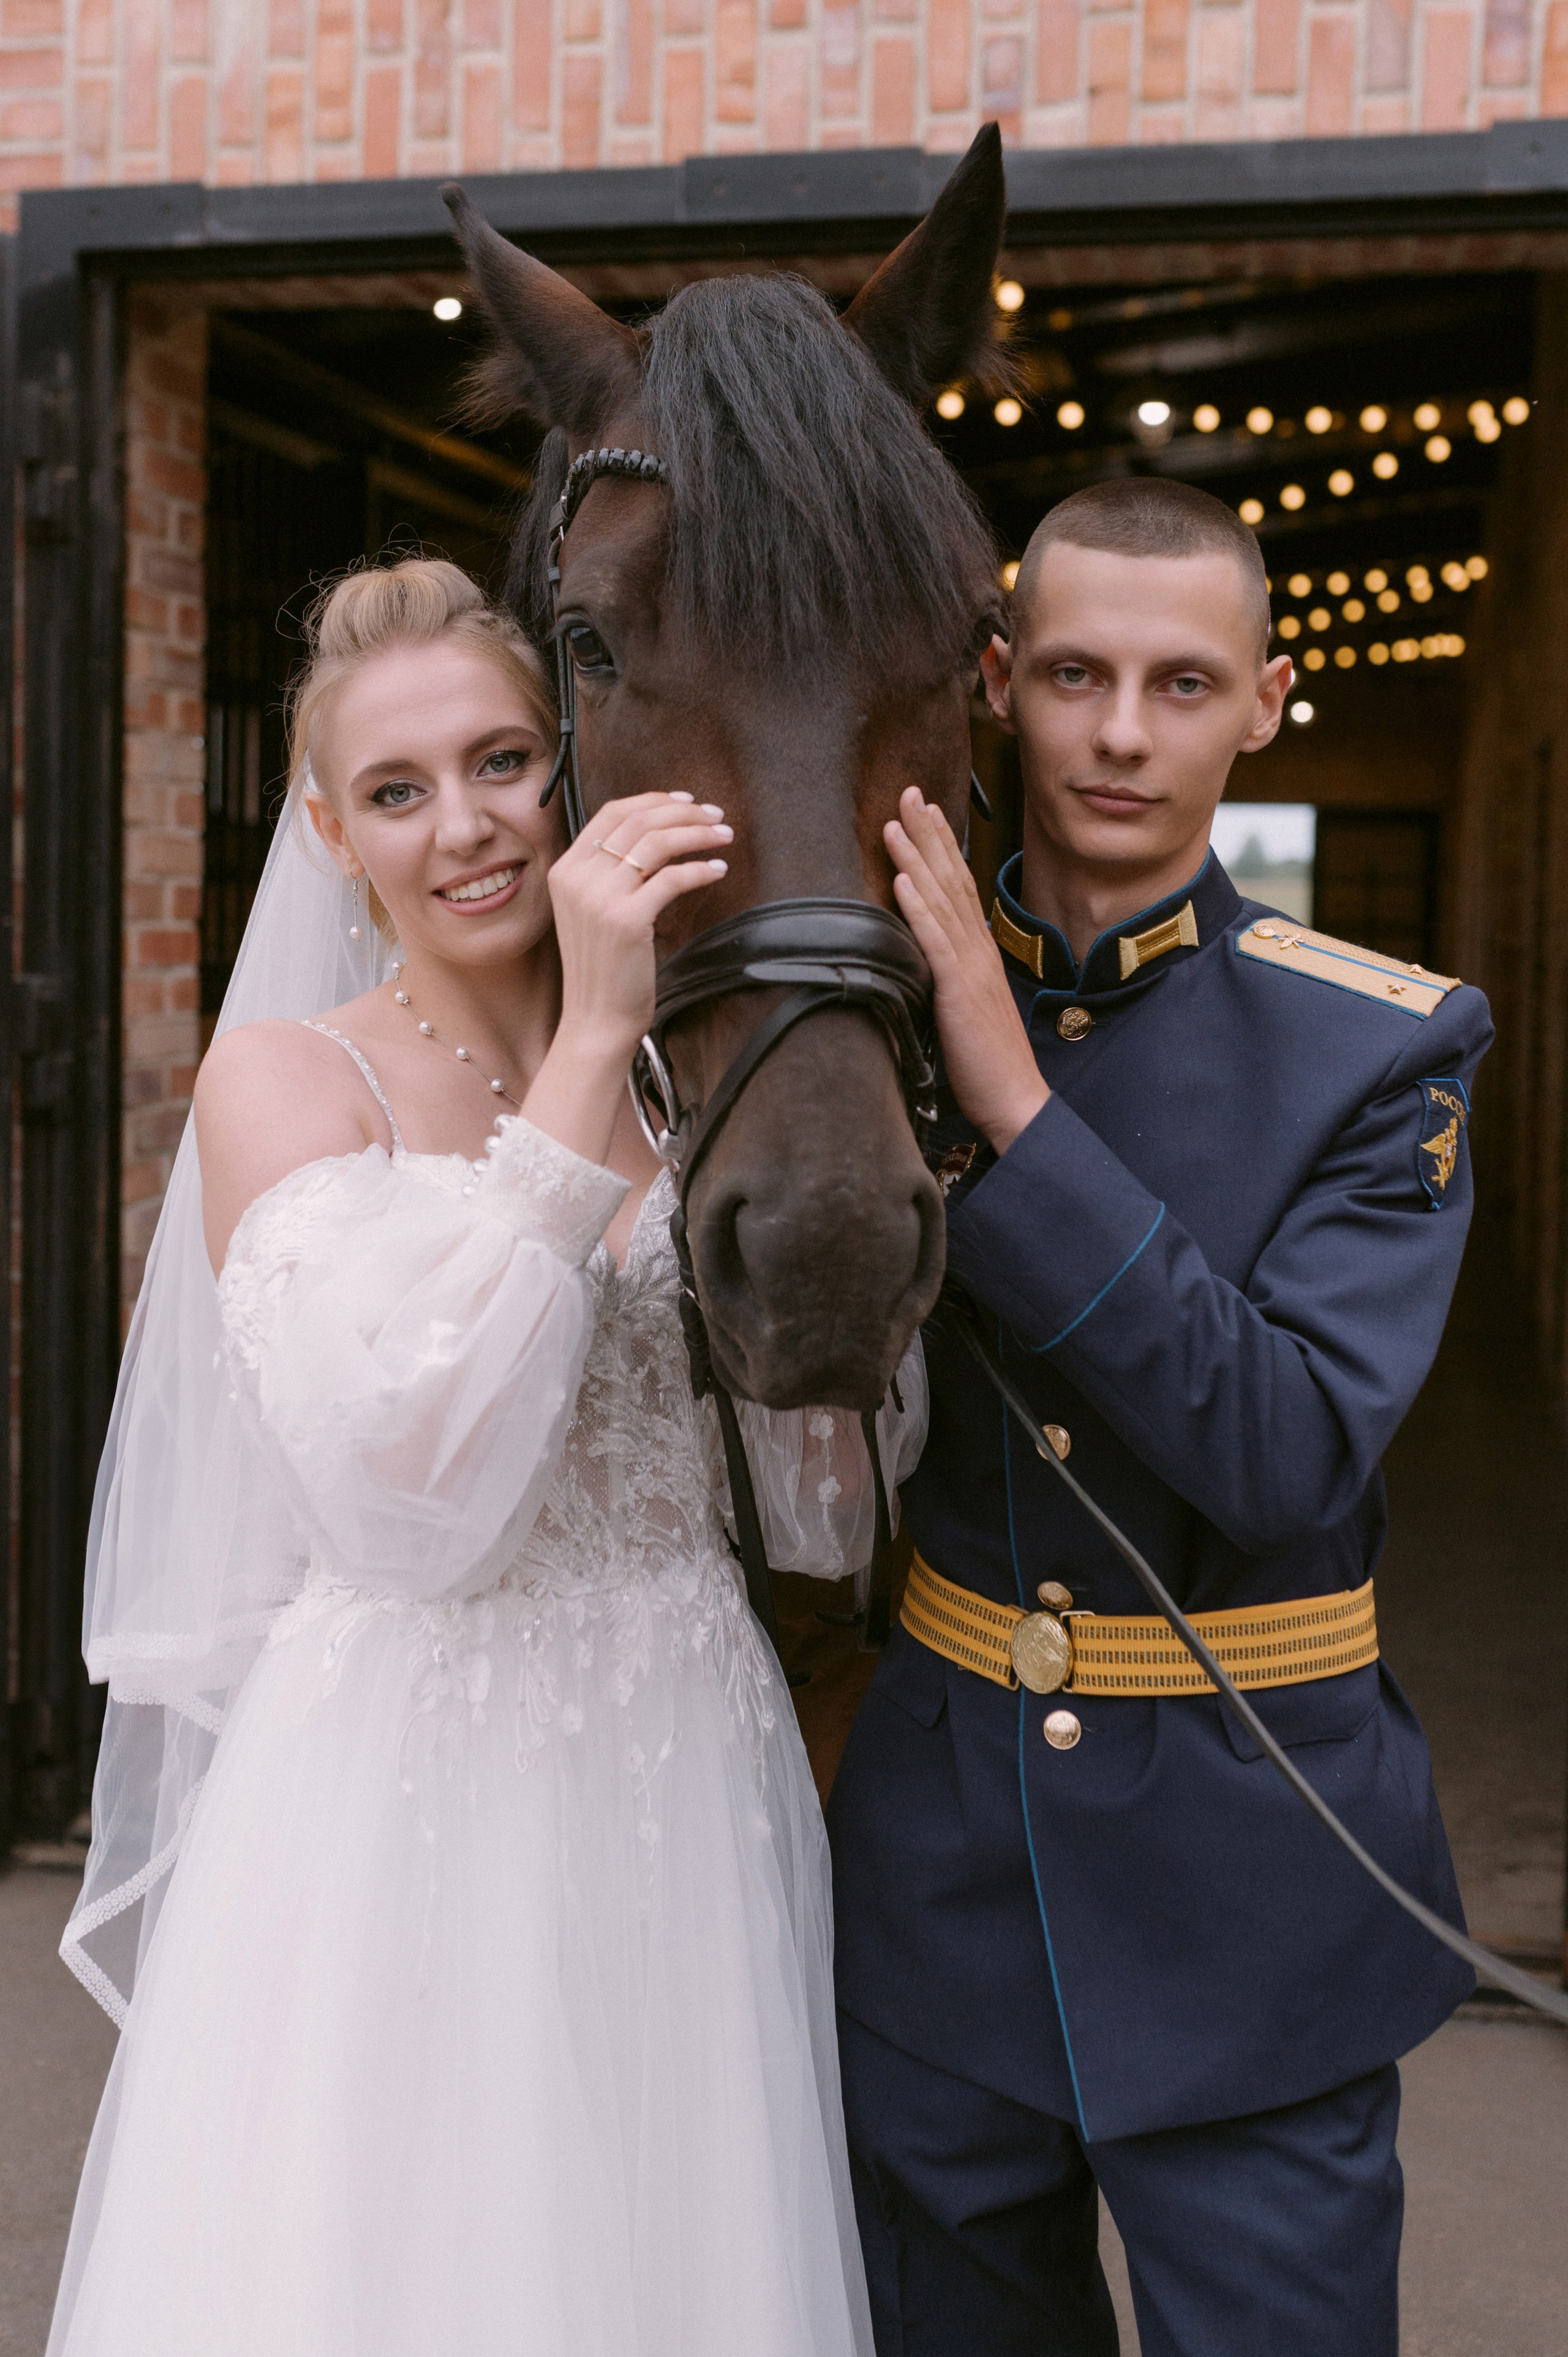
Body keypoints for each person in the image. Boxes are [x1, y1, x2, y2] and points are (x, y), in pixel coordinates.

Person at [49, 557, 921, 2357]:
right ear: (330, 826)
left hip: (687, 1745)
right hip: (410, 1791)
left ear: (573, 767)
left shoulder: (709, 1073)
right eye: (399, 789)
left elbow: (833, 1480)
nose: (469, 826)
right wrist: (593, 1041)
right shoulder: (294, 1082)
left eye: (507, 761)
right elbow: (413, 1498)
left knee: (684, 2259)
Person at [826, 477, 1492, 2357]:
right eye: (1074, 674)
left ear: (1269, 699)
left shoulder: (1383, 1045)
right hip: (941, 1877)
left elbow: (1285, 1450)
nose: (1122, 733)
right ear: (994, 683)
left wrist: (1019, 1114)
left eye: (1183, 684)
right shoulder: (853, 1007)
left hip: (1250, 1892)